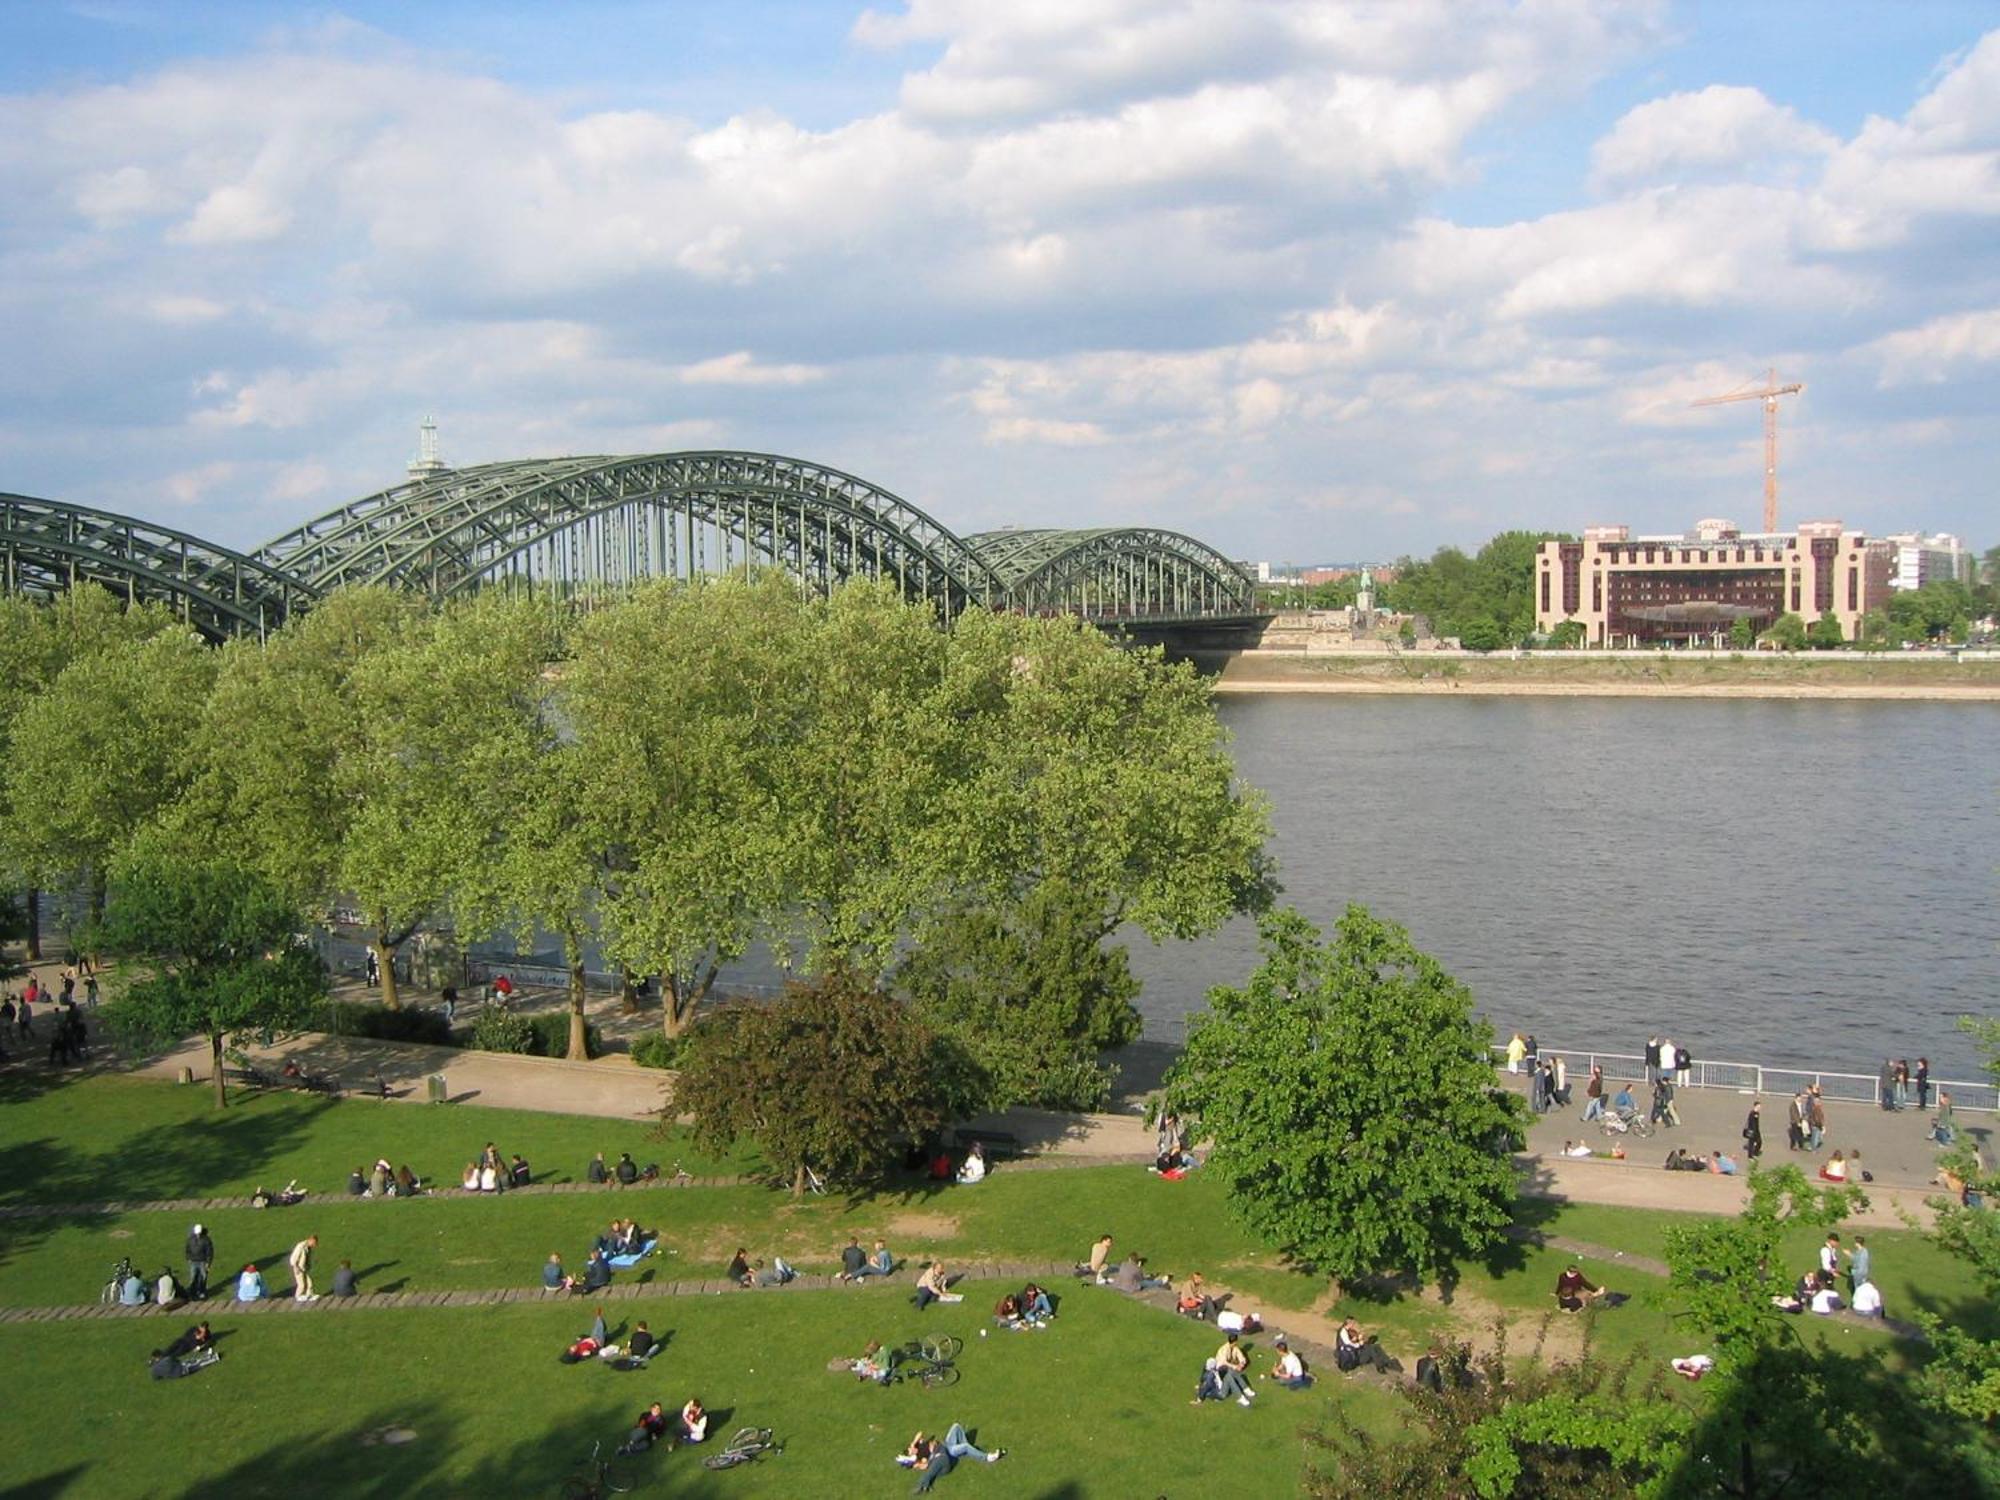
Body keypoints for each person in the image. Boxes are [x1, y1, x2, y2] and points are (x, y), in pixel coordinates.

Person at [907, 1424, 1003, 1489]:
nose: (911, 1450)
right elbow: (926, 1466)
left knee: (956, 1426)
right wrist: (932, 1453)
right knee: (964, 1447)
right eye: (910, 1452)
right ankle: (988, 1458)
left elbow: (920, 1433)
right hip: (948, 1452)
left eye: (910, 1449)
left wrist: (913, 1443)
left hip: (946, 1444)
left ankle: (968, 1449)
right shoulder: (920, 1458)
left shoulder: (917, 1446)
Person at [1213, 1332, 1256, 1404]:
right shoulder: (1223, 1349)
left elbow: (1241, 1357)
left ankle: (1245, 1389)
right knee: (1231, 1375)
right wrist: (1235, 1367)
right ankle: (1240, 1397)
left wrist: (1241, 1364)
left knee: (1233, 1373)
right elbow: (1224, 1362)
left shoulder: (1235, 1348)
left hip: (1227, 1371)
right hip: (1220, 1372)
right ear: (1235, 1341)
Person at [186, 1223, 214, 1300]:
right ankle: (193, 1292)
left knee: (202, 1277)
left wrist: (208, 1263)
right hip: (194, 1261)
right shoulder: (191, 1239)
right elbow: (187, 1250)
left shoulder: (206, 1240)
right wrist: (188, 1258)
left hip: (202, 1262)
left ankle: (201, 1292)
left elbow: (209, 1252)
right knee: (193, 1278)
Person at [289, 1234, 319, 1301]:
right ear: (311, 1240)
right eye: (314, 1243)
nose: (314, 1245)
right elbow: (293, 1259)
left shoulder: (308, 1247)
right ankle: (297, 1297)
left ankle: (310, 1295)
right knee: (301, 1285)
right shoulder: (300, 1246)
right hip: (298, 1269)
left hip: (304, 1268)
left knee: (310, 1283)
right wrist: (295, 1267)